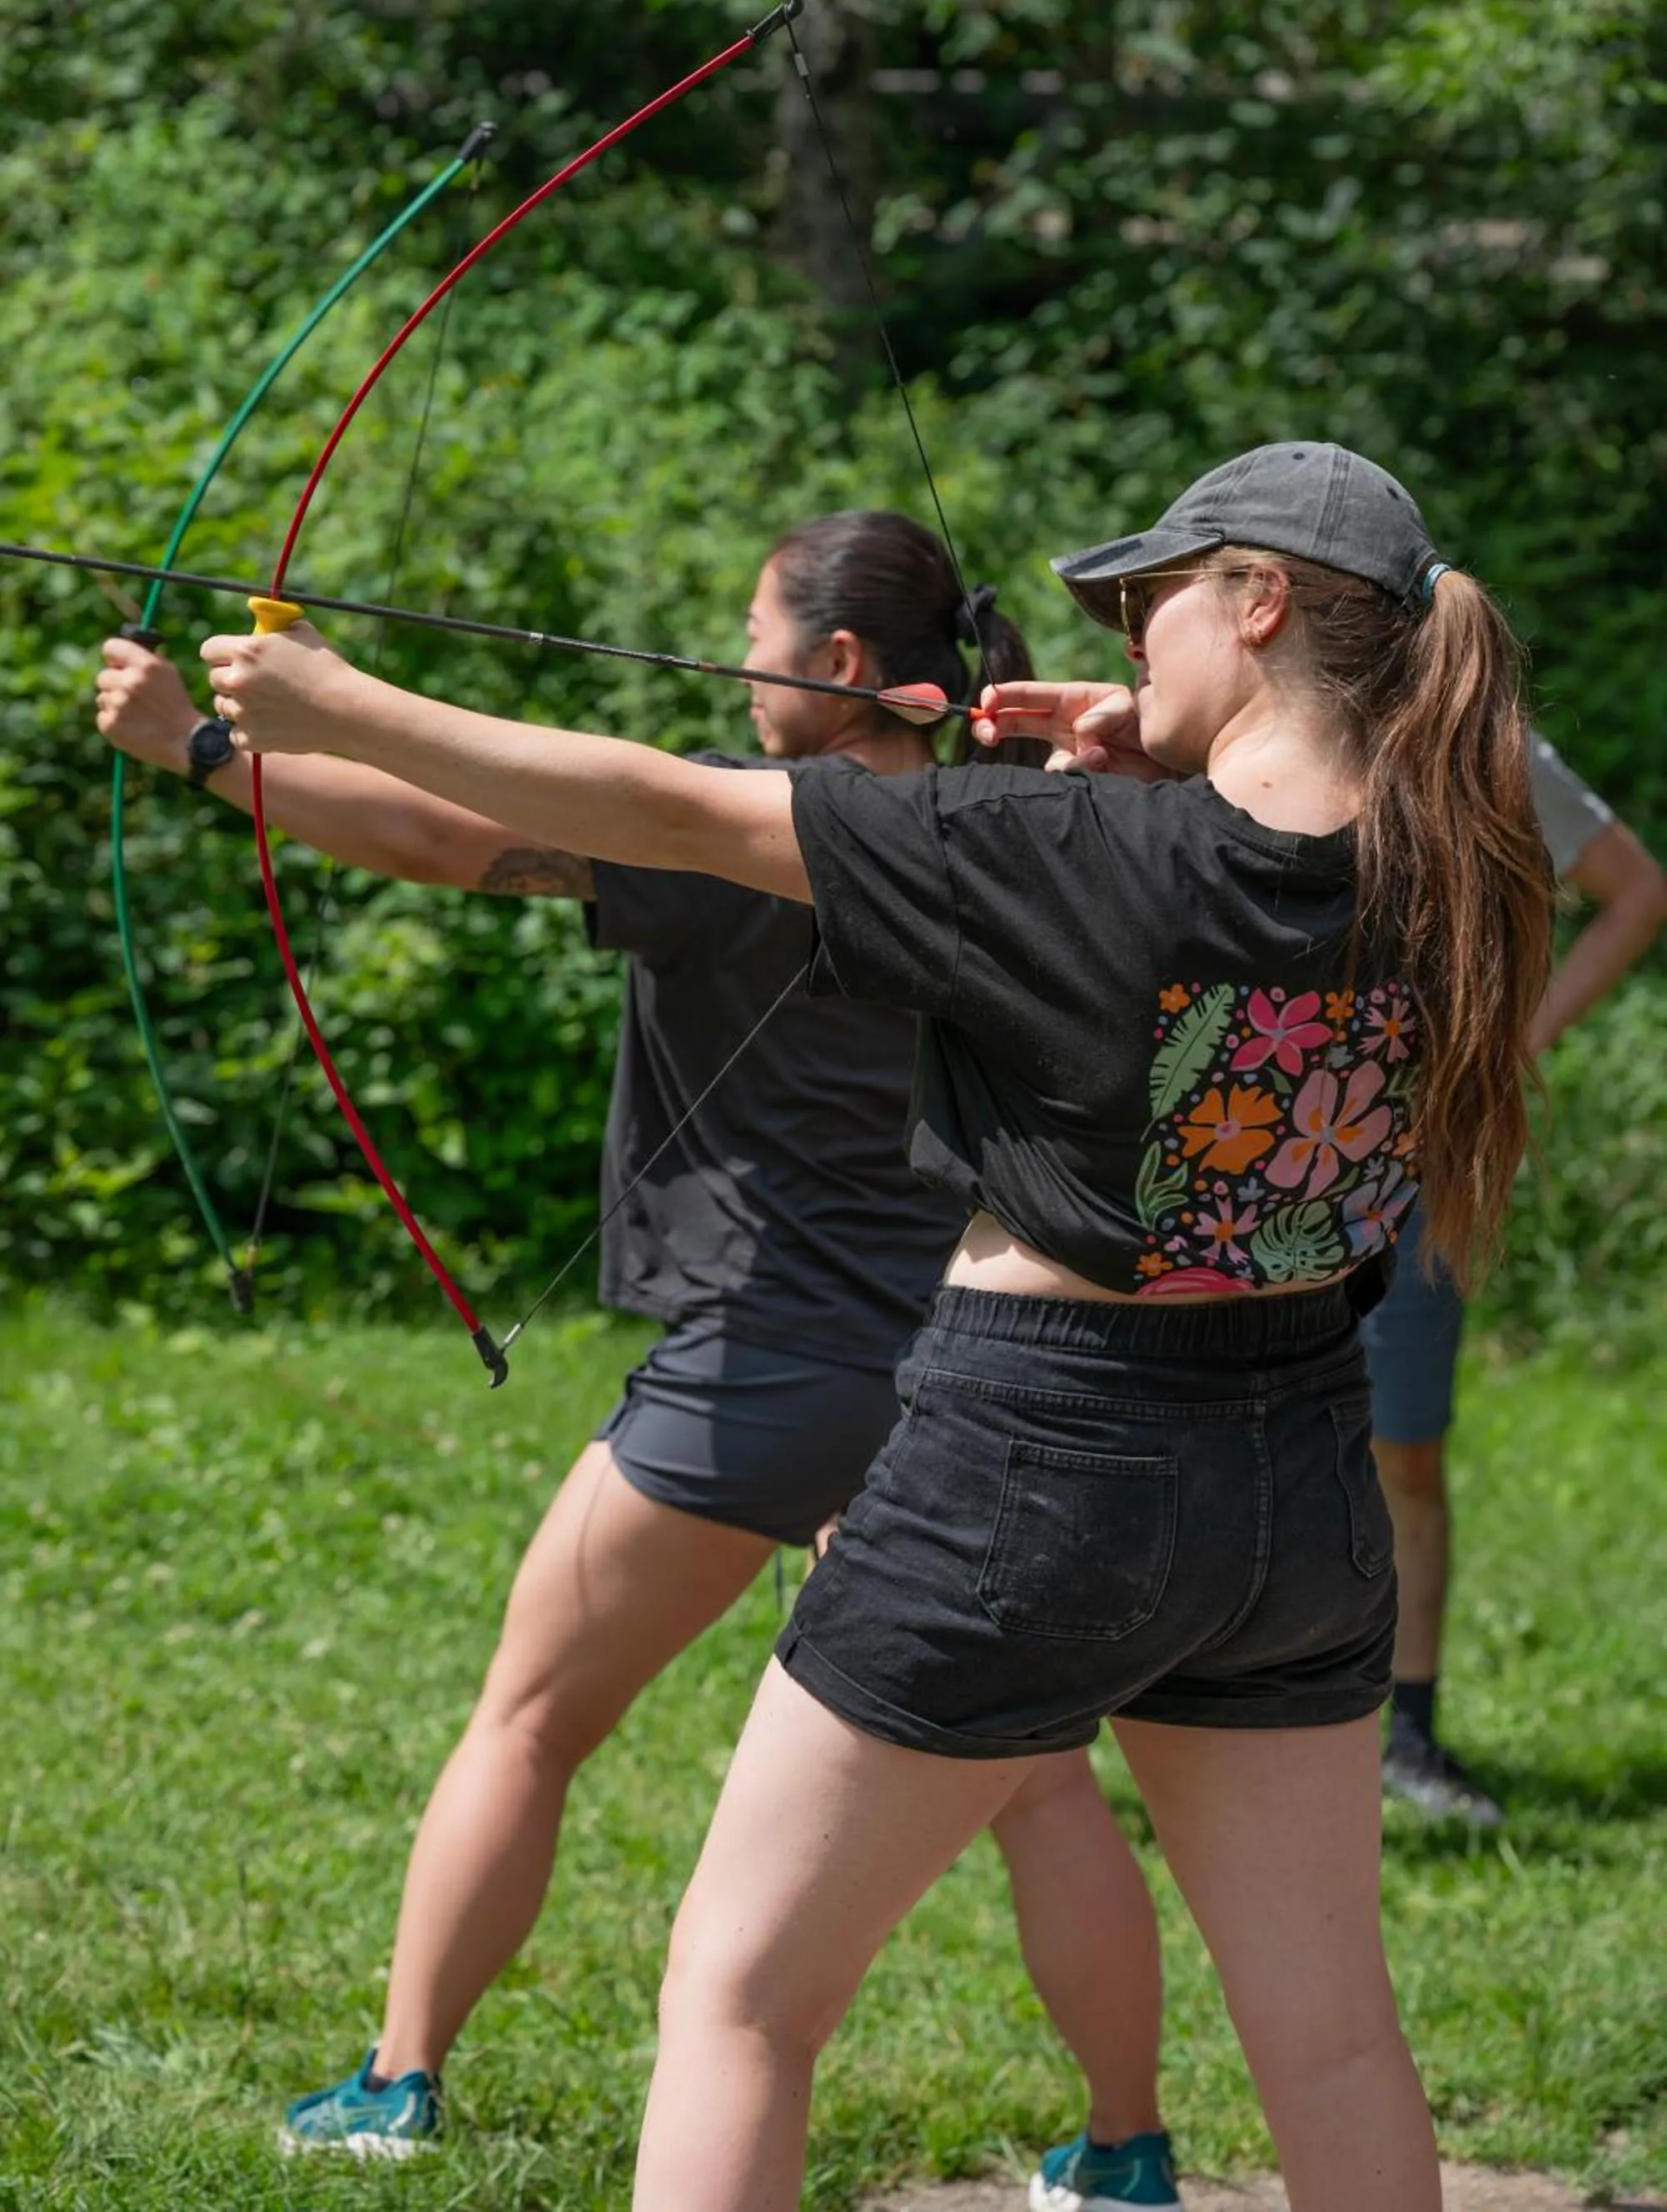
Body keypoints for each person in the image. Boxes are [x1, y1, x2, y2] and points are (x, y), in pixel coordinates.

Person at [199, 439, 1557, 2212]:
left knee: (742, 1999)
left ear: (1257, 600)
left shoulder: (1060, 846)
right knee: (1328, 2041)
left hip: (1032, 1462)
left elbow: (666, 809)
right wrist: (1151, 755)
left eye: (1151, 603)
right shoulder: (1458, 865)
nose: (1129, 637)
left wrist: (338, 703)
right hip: (1296, 1479)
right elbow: (1225, 864)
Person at [97, 509, 1178, 2204]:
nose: (736, 670)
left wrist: (201, 749)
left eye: (754, 639)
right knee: (1039, 1787)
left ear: (835, 665)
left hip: (761, 1369)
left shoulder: (739, 829)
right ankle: (1123, 2150)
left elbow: (452, 837)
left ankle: (395, 2084)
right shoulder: (1022, 822)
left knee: (527, 1721)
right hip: (969, 1367)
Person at [1370, 738, 1667, 1825]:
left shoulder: (1480, 741)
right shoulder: (1242, 708)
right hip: (1262, 1142)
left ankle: (1403, 1735)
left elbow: (1632, 892)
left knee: (1400, 1447)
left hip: (1418, 1159)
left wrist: (1502, 1062)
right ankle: (1220, 1717)